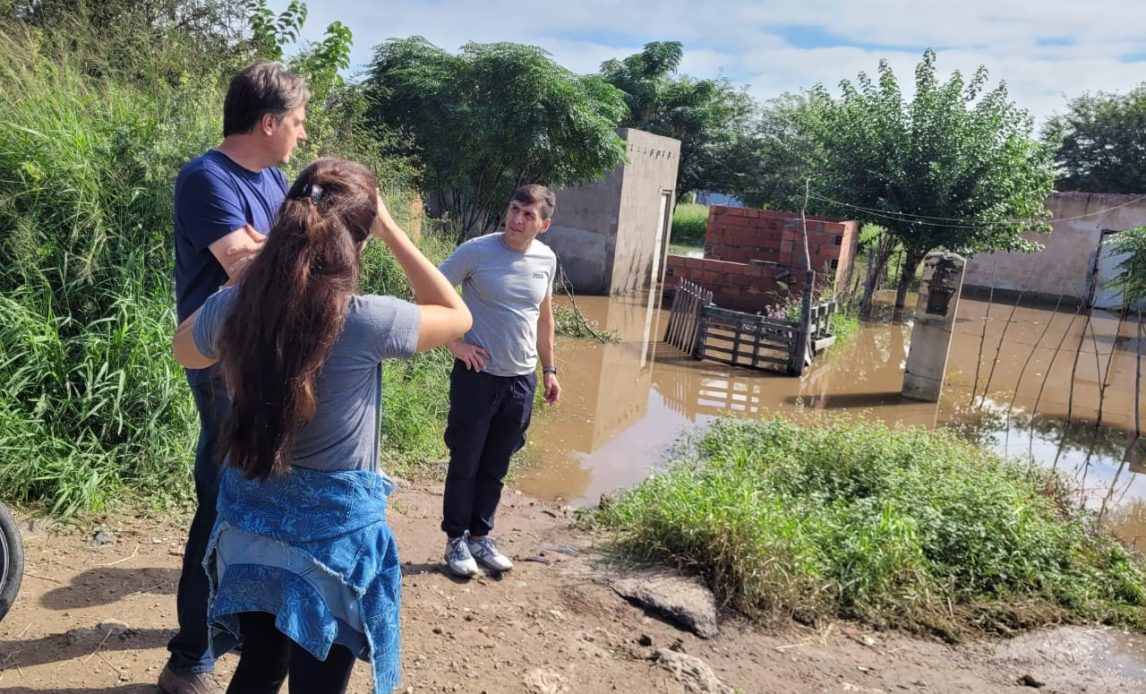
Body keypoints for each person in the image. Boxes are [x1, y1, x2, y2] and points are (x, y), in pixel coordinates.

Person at [172, 157, 472, 693]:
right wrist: (394, 229)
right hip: (332, 547)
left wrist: (252, 283)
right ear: (360, 237)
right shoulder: (369, 320)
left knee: (261, 664)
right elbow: (456, 313)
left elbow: (185, 351)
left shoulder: (236, 308)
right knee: (318, 683)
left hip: (251, 529)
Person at [162, 61, 309, 694]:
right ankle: (189, 657)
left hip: (268, 360)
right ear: (269, 122)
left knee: (258, 503)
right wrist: (281, 251)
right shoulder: (206, 179)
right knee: (222, 505)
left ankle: (238, 628)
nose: (303, 133)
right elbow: (247, 268)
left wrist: (273, 250)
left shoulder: (274, 178)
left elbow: (278, 257)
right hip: (221, 363)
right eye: (298, 121)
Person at [438, 184, 562, 577]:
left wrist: (550, 370)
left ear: (544, 225)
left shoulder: (546, 259)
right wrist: (453, 344)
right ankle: (455, 540)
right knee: (466, 461)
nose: (517, 219)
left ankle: (480, 537)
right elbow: (429, 292)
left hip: (520, 380)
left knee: (496, 464)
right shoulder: (477, 250)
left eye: (528, 215)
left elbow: (544, 318)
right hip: (477, 377)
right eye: (514, 209)